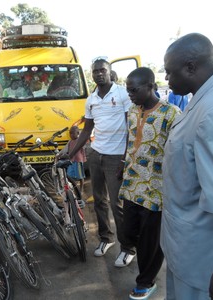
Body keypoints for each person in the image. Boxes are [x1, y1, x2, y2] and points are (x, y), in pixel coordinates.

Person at [161, 32, 213, 300]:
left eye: (169, 72)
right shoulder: (206, 96)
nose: (166, 79)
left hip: (203, 258)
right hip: (188, 243)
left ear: (190, 67)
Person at [118, 67, 181, 299]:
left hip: (156, 189)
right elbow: (131, 137)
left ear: (150, 86)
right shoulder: (132, 111)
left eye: (133, 90)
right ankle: (141, 257)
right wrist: (123, 164)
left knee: (150, 240)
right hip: (132, 183)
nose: (130, 95)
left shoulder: (171, 113)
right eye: (127, 91)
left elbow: (179, 152)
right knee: (128, 232)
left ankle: (146, 281)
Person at [68, 57, 136, 264]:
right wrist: (70, 153)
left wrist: (125, 160)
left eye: (102, 70)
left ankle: (128, 248)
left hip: (116, 157)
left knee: (117, 204)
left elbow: (131, 129)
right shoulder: (92, 99)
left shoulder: (123, 94)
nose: (99, 73)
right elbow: (87, 130)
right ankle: (107, 239)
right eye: (95, 71)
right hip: (96, 154)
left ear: (109, 72)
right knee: (99, 200)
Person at [58, 125, 87, 202]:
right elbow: (65, 149)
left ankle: (81, 189)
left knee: (81, 176)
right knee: (69, 176)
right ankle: (74, 188)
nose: (71, 135)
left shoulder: (80, 141)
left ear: (77, 133)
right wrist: (59, 154)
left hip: (78, 161)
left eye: (72, 133)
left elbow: (84, 149)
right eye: (70, 133)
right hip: (71, 161)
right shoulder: (70, 142)